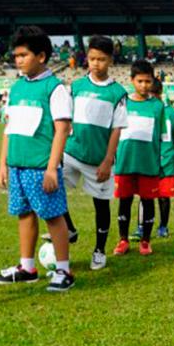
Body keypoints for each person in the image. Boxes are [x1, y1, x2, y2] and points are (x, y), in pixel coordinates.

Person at [0, 26, 76, 292]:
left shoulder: (55, 88)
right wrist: (3, 163)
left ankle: (64, 271)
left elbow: (62, 129)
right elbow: (9, 128)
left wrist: (52, 168)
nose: (18, 60)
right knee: (24, 214)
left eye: (23, 55)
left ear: (41, 56)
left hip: (41, 167)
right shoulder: (16, 88)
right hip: (16, 165)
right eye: (15, 55)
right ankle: (27, 267)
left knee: (53, 216)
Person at [56, 35, 128, 270]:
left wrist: (108, 160)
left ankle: (99, 249)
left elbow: (117, 129)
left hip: (99, 161)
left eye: (102, 59)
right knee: (52, 189)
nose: (96, 63)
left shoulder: (117, 93)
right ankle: (69, 229)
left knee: (101, 205)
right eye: (92, 58)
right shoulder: (75, 87)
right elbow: (64, 121)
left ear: (110, 61)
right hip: (72, 152)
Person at [113, 60, 165, 255]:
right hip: (125, 163)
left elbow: (159, 137)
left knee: (148, 202)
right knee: (124, 202)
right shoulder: (122, 103)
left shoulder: (157, 106)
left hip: (148, 164)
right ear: (132, 80)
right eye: (140, 81)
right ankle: (123, 240)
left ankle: (145, 241)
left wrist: (160, 162)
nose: (144, 85)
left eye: (148, 81)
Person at [156, 94, 174, 238]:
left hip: (162, 160)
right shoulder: (171, 112)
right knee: (147, 196)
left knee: (162, 196)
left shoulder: (170, 113)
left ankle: (162, 226)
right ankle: (143, 227)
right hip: (159, 159)